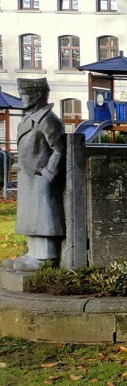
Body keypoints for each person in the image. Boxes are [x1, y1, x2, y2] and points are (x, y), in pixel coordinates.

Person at [6, 78, 65, 272]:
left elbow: (59, 148)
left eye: (24, 94)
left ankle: (44, 257)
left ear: (38, 94)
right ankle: (33, 253)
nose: (22, 98)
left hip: (40, 177)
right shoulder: (28, 119)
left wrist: (48, 175)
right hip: (28, 177)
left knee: (42, 218)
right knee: (30, 217)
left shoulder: (48, 120)